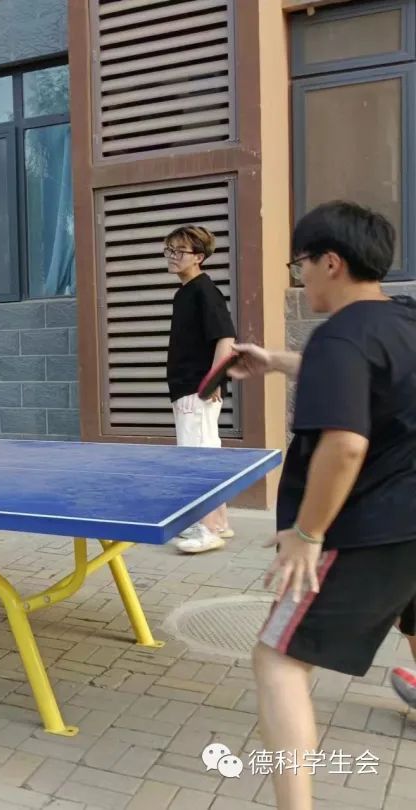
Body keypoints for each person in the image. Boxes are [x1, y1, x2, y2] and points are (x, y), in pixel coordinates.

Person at [228, 201, 416, 810]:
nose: (299, 276)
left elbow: (345, 444)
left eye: (300, 264)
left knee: (278, 660)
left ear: (330, 262)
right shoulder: (404, 319)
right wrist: (277, 361)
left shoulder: (339, 335)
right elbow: (372, 373)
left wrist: (307, 534)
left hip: (376, 525)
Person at [164, 225, 237, 553]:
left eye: (180, 251)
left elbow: (226, 338)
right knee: (206, 452)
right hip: (189, 389)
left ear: (199, 257)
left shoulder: (204, 291)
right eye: (169, 250)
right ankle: (218, 523)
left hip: (196, 390)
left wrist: (212, 382)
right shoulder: (186, 293)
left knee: (196, 459)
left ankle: (205, 530)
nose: (172, 256)